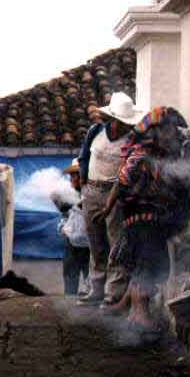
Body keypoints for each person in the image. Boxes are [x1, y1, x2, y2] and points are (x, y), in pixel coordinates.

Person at [93, 107, 190, 329]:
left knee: (143, 262)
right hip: (141, 220)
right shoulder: (140, 155)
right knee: (147, 265)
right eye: (167, 129)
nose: (173, 134)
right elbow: (121, 184)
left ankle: (125, 303)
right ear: (154, 132)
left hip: (154, 219)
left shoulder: (165, 154)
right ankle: (139, 314)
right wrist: (107, 209)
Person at [77, 92, 145, 307]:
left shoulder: (133, 140)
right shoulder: (95, 132)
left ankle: (113, 291)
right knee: (95, 241)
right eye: (122, 122)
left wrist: (113, 201)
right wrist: (83, 183)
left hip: (116, 193)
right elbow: (83, 157)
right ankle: (96, 288)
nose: (126, 126)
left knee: (116, 242)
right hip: (92, 190)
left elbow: (127, 173)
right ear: (113, 120)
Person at [57, 158, 90, 298]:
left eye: (76, 174)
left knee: (93, 283)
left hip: (91, 247)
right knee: (70, 282)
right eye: (71, 175)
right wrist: (62, 229)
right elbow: (64, 218)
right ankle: (69, 309)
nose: (73, 178)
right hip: (71, 245)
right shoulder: (68, 196)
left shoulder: (92, 194)